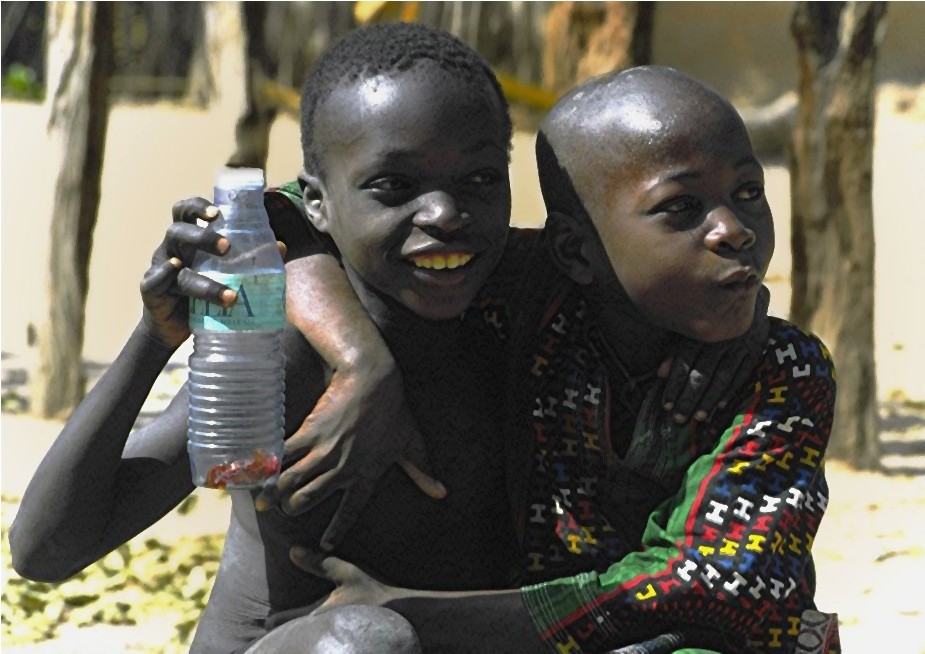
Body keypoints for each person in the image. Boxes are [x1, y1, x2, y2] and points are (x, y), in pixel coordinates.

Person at [267, 66, 839, 654]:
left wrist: (420, 615)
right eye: (682, 206)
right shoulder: (531, 295)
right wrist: (361, 361)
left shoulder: (783, 369)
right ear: (574, 249)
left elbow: (713, 584)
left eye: (748, 193)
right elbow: (287, 210)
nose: (733, 230)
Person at [9, 23, 525, 654]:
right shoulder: (281, 356)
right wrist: (153, 339)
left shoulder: (525, 326)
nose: (444, 214)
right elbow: (47, 549)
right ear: (317, 205)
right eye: (393, 186)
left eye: (479, 179)